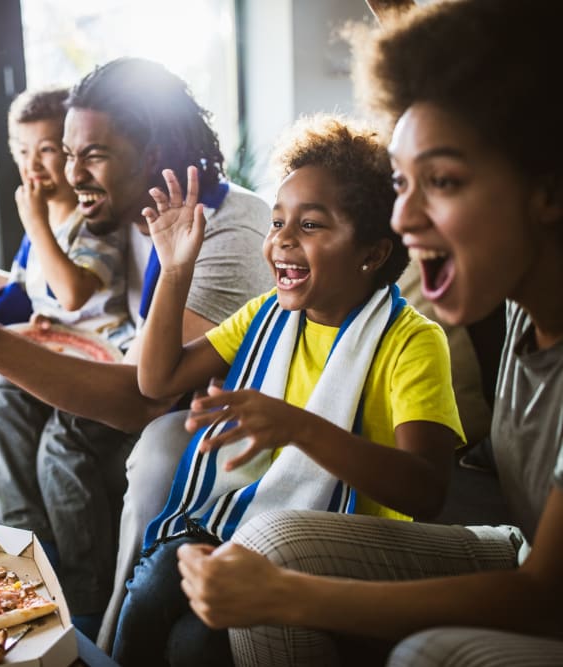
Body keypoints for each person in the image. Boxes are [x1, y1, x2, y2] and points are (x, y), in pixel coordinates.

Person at [176, 1, 563, 665]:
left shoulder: (418, 335)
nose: (406, 219)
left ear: (548, 190)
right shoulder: (526, 312)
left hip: (543, 585)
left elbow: (544, 596)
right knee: (266, 538)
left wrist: (288, 595)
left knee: (430, 653)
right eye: (403, 184)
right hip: (519, 547)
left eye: (441, 182)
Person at [0, 57, 273, 638]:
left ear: (154, 152)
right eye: (67, 153)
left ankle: (86, 614)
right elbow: (49, 293)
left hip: (195, 417)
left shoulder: (226, 231)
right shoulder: (122, 212)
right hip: (131, 371)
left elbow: (145, 398)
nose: (72, 175)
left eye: (92, 155)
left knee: (64, 441)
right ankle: (29, 583)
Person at [112, 115, 465, 666]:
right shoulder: (268, 314)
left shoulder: (414, 342)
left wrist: (298, 427)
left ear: (371, 252)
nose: (280, 241)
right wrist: (176, 270)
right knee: (159, 576)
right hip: (251, 515)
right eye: (277, 222)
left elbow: (424, 491)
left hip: (346, 544)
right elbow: (156, 380)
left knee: (194, 643)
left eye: (310, 226)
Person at [0, 87, 131, 406]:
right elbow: (32, 285)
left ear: (71, 150)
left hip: (99, 354)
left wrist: (36, 225)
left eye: (46, 150)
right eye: (22, 151)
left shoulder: (92, 221)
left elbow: (72, 294)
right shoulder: (44, 220)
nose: (32, 164)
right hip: (60, 341)